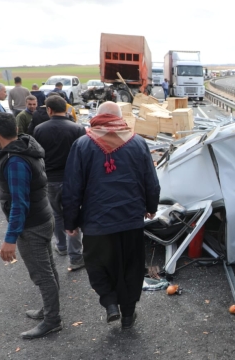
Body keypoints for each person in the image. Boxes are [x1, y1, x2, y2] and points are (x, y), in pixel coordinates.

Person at [62, 101, 160, 330]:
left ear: (98, 117)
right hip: (131, 219)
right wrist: (151, 206)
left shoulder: (82, 144)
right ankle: (128, 314)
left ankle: (110, 304)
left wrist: (70, 220)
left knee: (98, 264)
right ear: (120, 118)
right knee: (131, 267)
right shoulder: (138, 143)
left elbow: (72, 187)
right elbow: (151, 181)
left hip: (97, 222)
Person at [0, 112, 60, 339]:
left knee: (42, 274)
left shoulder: (15, 160)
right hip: (43, 216)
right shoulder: (26, 147)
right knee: (48, 267)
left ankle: (52, 320)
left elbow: (19, 204)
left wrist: (10, 238)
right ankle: (48, 310)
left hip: (32, 225)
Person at [33, 96, 87, 271]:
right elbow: (84, 157)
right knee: (73, 215)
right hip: (72, 180)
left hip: (50, 179)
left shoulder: (39, 129)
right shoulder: (78, 129)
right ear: (66, 109)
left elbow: (37, 157)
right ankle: (76, 257)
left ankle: (62, 246)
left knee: (57, 214)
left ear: (49, 110)